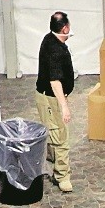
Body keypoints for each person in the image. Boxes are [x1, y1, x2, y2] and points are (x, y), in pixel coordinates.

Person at [36, 11, 75, 193]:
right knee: (61, 137)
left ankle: (49, 164)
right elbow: (55, 81)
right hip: (51, 99)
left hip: (46, 97)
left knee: (52, 133)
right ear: (65, 28)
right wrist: (64, 106)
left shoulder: (48, 39)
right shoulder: (56, 50)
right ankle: (62, 176)